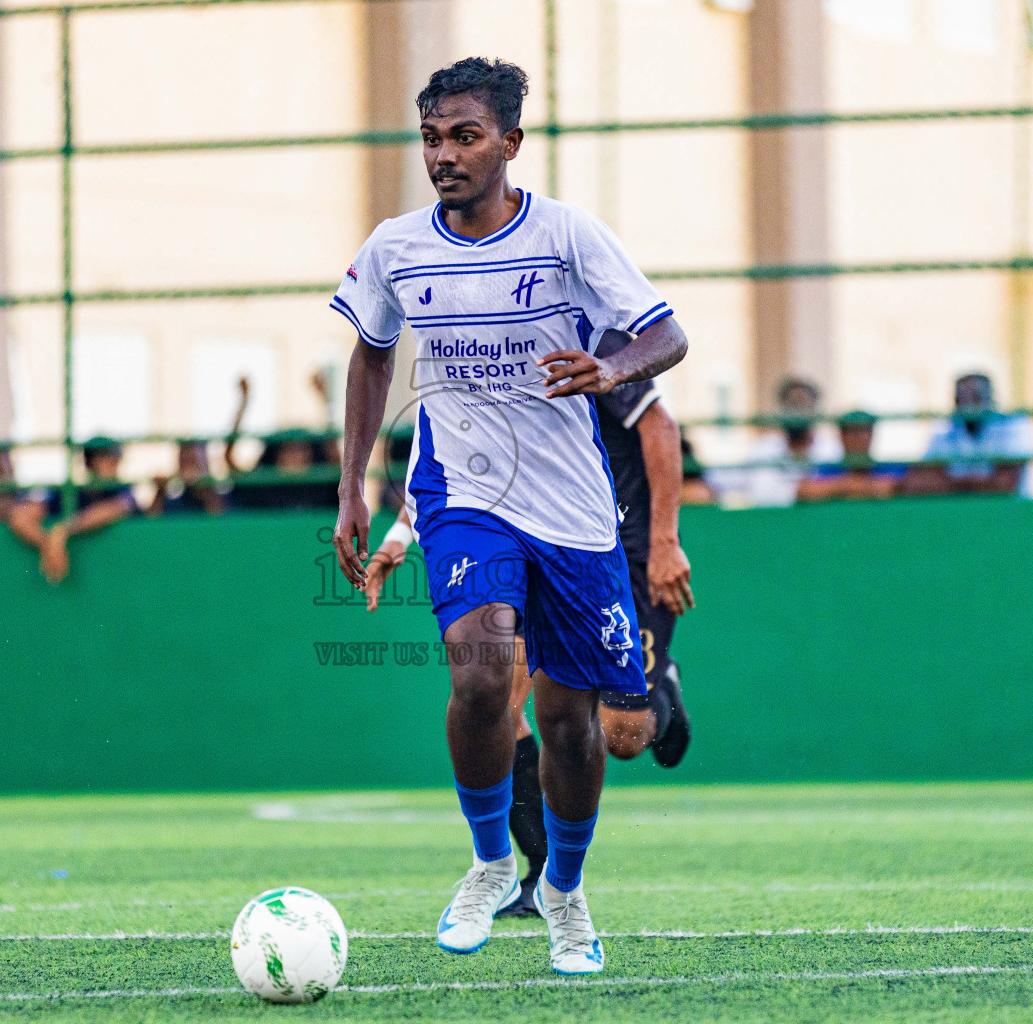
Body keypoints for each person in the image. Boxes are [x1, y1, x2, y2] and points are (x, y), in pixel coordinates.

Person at [330, 57, 688, 974]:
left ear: (510, 143)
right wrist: (355, 491)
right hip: (468, 500)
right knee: (485, 673)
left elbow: (668, 335)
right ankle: (491, 861)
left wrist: (611, 369)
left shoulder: (570, 235)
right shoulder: (397, 247)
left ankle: (563, 890)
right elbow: (372, 358)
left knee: (579, 726)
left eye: (464, 136)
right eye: (431, 138)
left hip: (573, 513)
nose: (443, 155)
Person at [365, 328, 697, 916]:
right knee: (500, 692)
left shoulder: (584, 334)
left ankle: (658, 682)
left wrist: (666, 541)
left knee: (623, 737)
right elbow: (448, 454)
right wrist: (399, 536)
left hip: (613, 544)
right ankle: (539, 872)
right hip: (526, 539)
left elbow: (660, 426)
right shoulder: (477, 348)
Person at [8, 436, 138, 584]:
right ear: (90, 463)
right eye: (107, 460)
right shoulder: (72, 493)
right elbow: (20, 517)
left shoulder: (122, 490)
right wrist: (49, 544)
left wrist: (62, 532)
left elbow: (114, 509)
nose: (115, 466)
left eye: (116, 460)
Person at [707, 377, 842, 508]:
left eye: (803, 404)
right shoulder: (764, 449)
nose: (797, 412)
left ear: (815, 409)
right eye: (792, 404)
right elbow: (726, 478)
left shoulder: (832, 451)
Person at [907, 373, 1033, 496]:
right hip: (957, 513)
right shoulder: (945, 431)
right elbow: (922, 481)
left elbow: (1004, 484)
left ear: (991, 398)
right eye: (961, 397)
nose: (969, 403)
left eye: (976, 396)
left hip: (1009, 513)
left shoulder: (1013, 425)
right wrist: (981, 484)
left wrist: (949, 485)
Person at [797, 411, 903, 502]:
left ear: (871, 435)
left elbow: (896, 485)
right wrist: (846, 485)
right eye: (851, 432)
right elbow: (805, 490)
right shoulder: (829, 467)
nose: (858, 438)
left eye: (863, 431)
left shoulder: (886, 466)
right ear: (841, 436)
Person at [151, 439, 224, 516]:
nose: (187, 467)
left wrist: (203, 487)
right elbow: (152, 519)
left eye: (192, 461)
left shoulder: (217, 493)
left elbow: (218, 514)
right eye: (183, 461)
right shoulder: (174, 500)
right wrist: (160, 491)